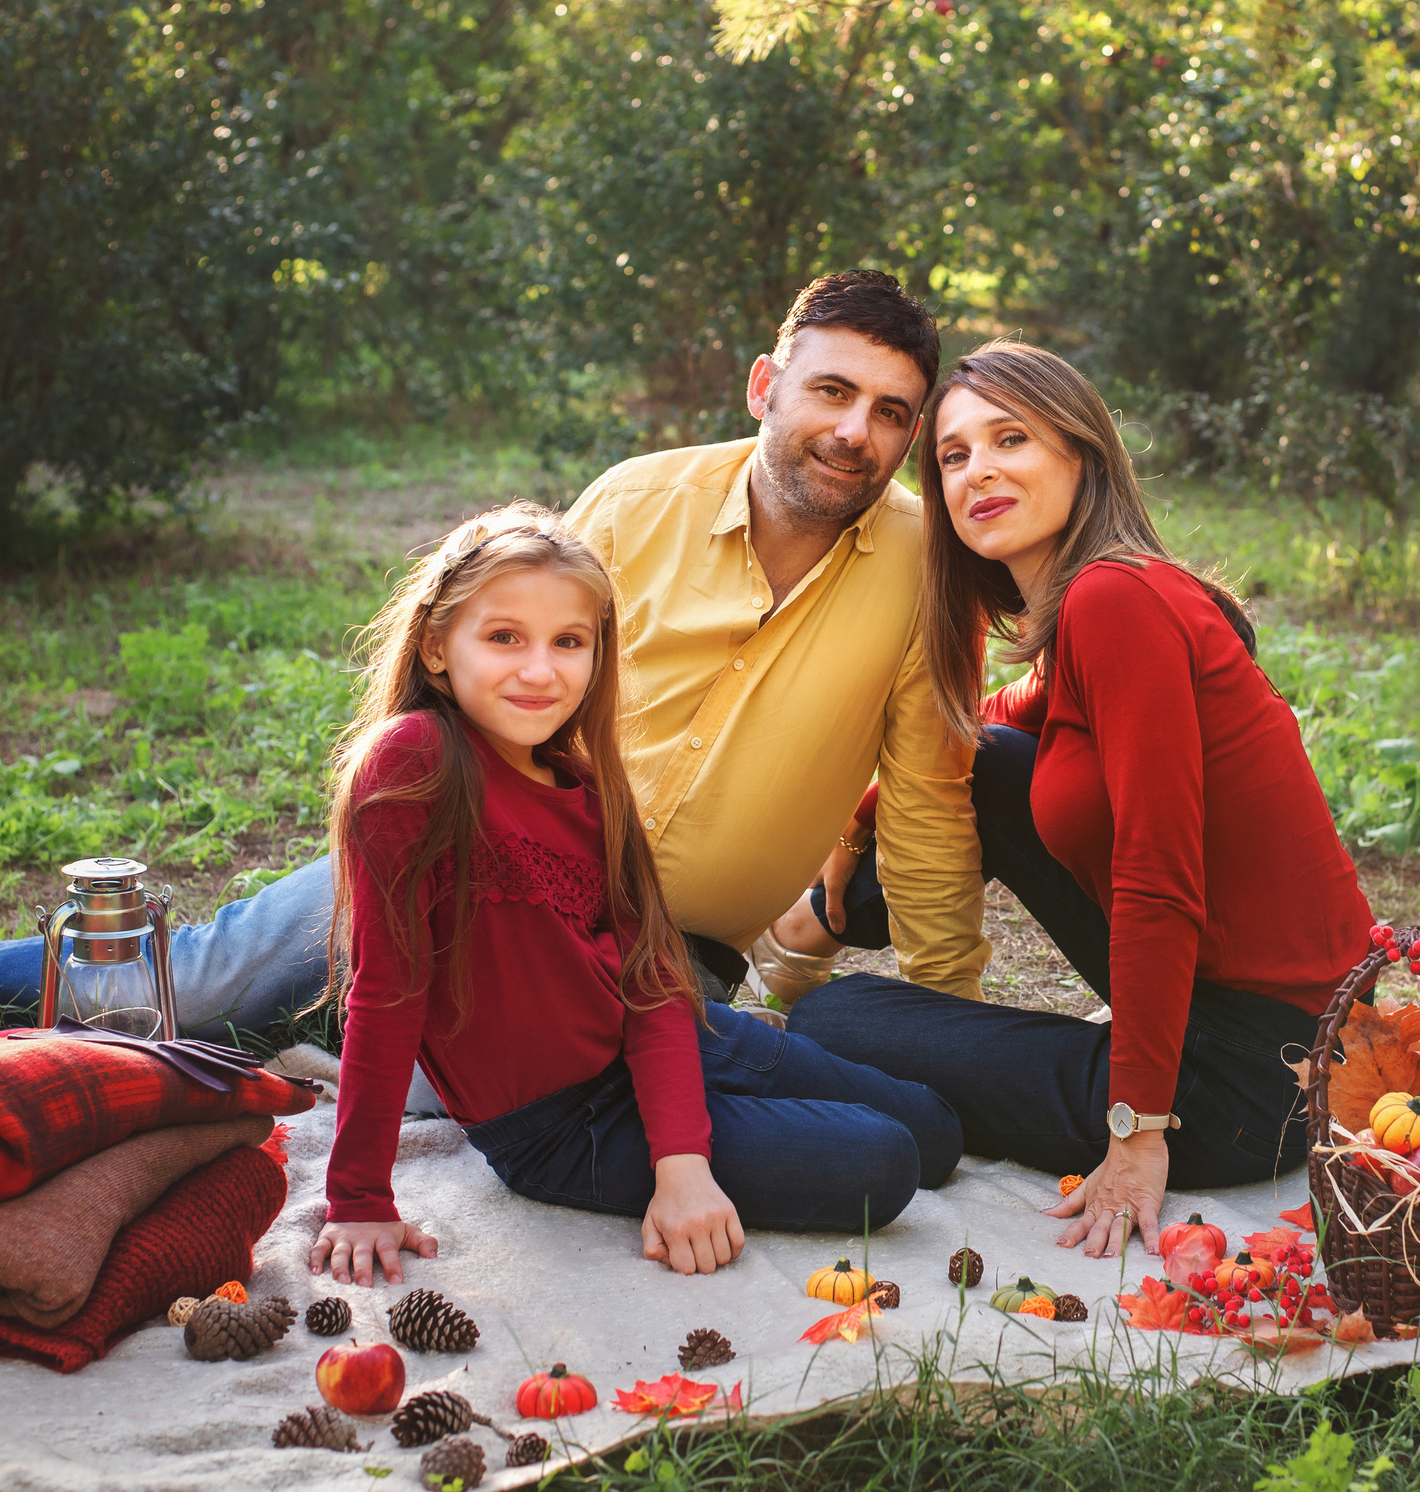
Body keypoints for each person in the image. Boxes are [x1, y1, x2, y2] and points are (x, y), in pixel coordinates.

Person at [0, 270, 988, 1061]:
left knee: (486, 1114)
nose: (854, 433)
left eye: (889, 413)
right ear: (766, 384)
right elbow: (476, 678)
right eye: (830, 391)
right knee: (186, 989)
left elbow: (930, 808)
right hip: (483, 849)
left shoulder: (925, 581)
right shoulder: (634, 501)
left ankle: (313, 1062)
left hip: (660, 954)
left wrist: (951, 1027)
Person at [783, 341, 1377, 1260]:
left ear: (1081, 453)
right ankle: (807, 926)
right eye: (952, 456)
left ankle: (823, 974)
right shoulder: (1101, 606)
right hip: (1249, 1021)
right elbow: (962, 736)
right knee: (986, 761)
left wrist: (1139, 1132)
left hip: (1257, 1084)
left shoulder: (1115, 603)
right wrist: (849, 842)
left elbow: (1157, 875)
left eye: (1009, 438)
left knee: (832, 1020)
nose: (978, 470)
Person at [310, 503, 958, 1286]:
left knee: (936, 1132)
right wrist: (357, 1197)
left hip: (674, 1034)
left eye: (569, 642)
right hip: (561, 1123)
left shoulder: (586, 786)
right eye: (504, 637)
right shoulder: (415, 765)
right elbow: (387, 991)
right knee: (885, 1160)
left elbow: (652, 978)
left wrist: (682, 1153)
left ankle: (832, 1043)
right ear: (437, 646)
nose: (540, 669)